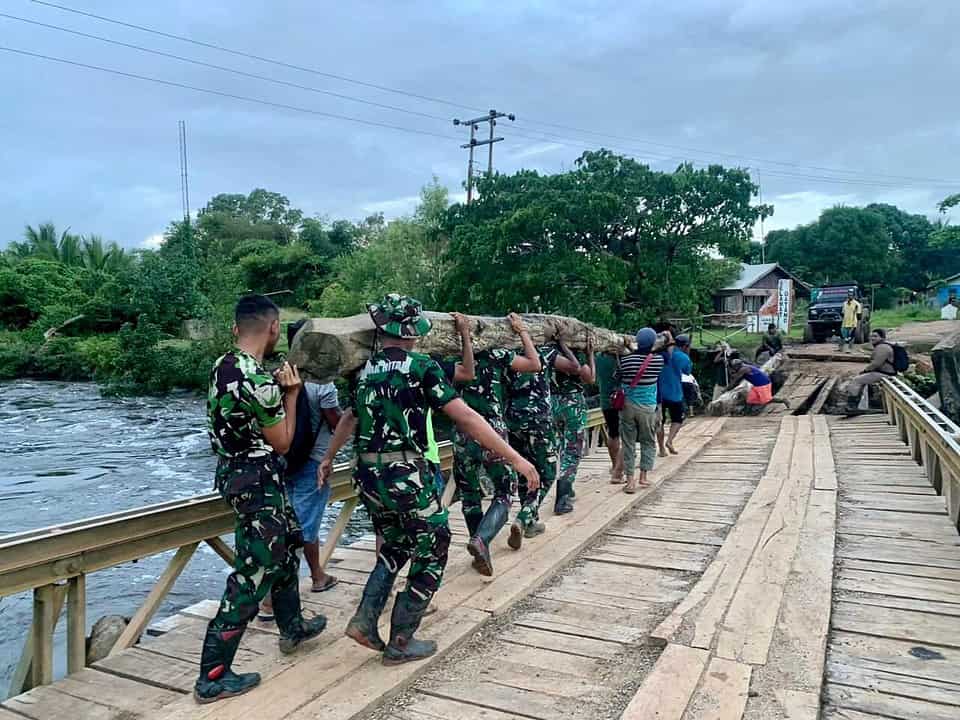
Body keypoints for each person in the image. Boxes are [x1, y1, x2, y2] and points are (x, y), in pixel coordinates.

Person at [318, 294, 539, 665]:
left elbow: (349, 418)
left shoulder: (364, 370)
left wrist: (327, 457)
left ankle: (365, 620)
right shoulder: (422, 367)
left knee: (397, 545)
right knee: (435, 548)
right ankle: (401, 640)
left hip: (367, 476)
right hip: (406, 475)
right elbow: (466, 417)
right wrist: (518, 460)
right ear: (412, 333)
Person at [196, 295, 326, 704]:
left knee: (286, 542)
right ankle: (212, 674)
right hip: (258, 480)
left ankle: (293, 627)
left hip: (235, 473)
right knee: (255, 571)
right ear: (273, 329)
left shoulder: (223, 366)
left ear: (237, 327)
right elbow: (284, 442)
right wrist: (291, 394)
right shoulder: (261, 381)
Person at [452, 312, 541, 575]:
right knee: (505, 491)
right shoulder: (497, 355)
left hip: (462, 434)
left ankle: (480, 547)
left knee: (469, 495)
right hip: (491, 432)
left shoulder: (452, 360)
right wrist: (522, 331)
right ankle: (481, 540)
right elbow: (534, 364)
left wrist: (463, 335)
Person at [504, 342, 580, 548]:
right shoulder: (545, 352)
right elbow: (575, 368)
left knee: (524, 472)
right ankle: (523, 517)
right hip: (538, 419)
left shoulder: (506, 353)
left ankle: (531, 522)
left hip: (512, 419)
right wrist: (565, 345)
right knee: (546, 473)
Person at [550, 337, 595, 515]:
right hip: (572, 402)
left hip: (553, 403)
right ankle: (562, 499)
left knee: (562, 445)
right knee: (573, 450)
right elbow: (590, 378)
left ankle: (567, 487)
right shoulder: (575, 356)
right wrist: (590, 355)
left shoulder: (548, 353)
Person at [618, 328, 666, 493]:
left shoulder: (625, 360)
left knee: (628, 442)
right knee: (648, 441)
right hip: (647, 407)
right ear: (653, 343)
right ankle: (643, 477)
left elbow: (617, 376)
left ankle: (630, 481)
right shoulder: (658, 360)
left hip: (627, 406)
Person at [658, 333, 692, 457]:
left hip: (659, 393)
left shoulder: (660, 354)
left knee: (659, 422)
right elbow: (687, 372)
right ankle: (669, 441)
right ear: (686, 346)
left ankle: (661, 448)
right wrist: (687, 355)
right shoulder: (683, 357)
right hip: (675, 393)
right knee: (677, 419)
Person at [845, 329, 897, 412]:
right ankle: (861, 404)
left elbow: (876, 363)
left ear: (882, 337)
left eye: (875, 336)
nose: (872, 338)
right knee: (862, 379)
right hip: (882, 372)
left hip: (885, 374)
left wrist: (865, 370)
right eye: (871, 336)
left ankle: (852, 406)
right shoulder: (882, 346)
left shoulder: (882, 347)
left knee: (856, 381)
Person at [595, 351, 624, 482]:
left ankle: (614, 465)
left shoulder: (598, 358)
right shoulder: (622, 358)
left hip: (606, 400)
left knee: (613, 433)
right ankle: (619, 469)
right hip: (621, 400)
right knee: (625, 435)